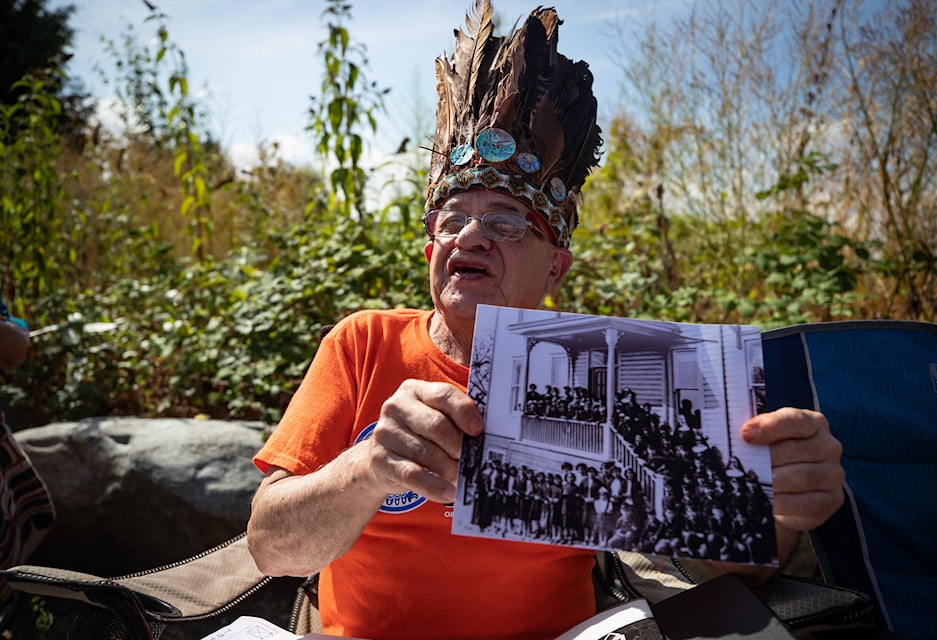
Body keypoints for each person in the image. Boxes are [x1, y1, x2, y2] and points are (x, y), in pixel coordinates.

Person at [246, 2, 845, 638]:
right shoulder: (363, 344)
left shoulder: (609, 370)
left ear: (555, 269)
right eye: (451, 222)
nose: (470, 238)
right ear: (431, 253)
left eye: (506, 222)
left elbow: (731, 570)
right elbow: (272, 548)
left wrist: (778, 508)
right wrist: (364, 470)